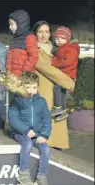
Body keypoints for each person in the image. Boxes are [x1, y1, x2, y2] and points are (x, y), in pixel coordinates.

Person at [31, 21, 75, 150]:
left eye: (46, 31)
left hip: (57, 96)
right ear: (35, 34)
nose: (43, 35)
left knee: (57, 138)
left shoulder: (56, 49)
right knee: (45, 138)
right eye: (40, 32)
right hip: (44, 95)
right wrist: (70, 83)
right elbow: (49, 70)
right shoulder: (34, 51)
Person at [9, 71, 51, 185]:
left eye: (34, 87)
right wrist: (26, 130)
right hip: (21, 132)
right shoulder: (17, 100)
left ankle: (41, 176)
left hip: (37, 134)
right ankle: (23, 173)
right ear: (22, 87)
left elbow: (46, 119)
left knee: (46, 150)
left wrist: (44, 134)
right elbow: (13, 118)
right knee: (28, 144)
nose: (31, 90)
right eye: (28, 87)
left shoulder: (41, 101)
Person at [50, 26, 79, 121]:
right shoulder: (62, 48)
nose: (59, 40)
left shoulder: (71, 48)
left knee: (57, 88)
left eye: (62, 38)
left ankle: (57, 107)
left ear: (68, 38)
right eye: (57, 38)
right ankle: (62, 110)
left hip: (67, 74)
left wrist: (53, 62)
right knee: (62, 92)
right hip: (66, 73)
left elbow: (65, 62)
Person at [6, 10, 38, 76]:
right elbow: (9, 58)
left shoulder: (29, 38)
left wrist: (24, 72)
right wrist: (8, 71)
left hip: (25, 77)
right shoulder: (13, 39)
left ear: (21, 24)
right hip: (13, 77)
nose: (9, 27)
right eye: (9, 24)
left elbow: (33, 57)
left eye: (12, 24)